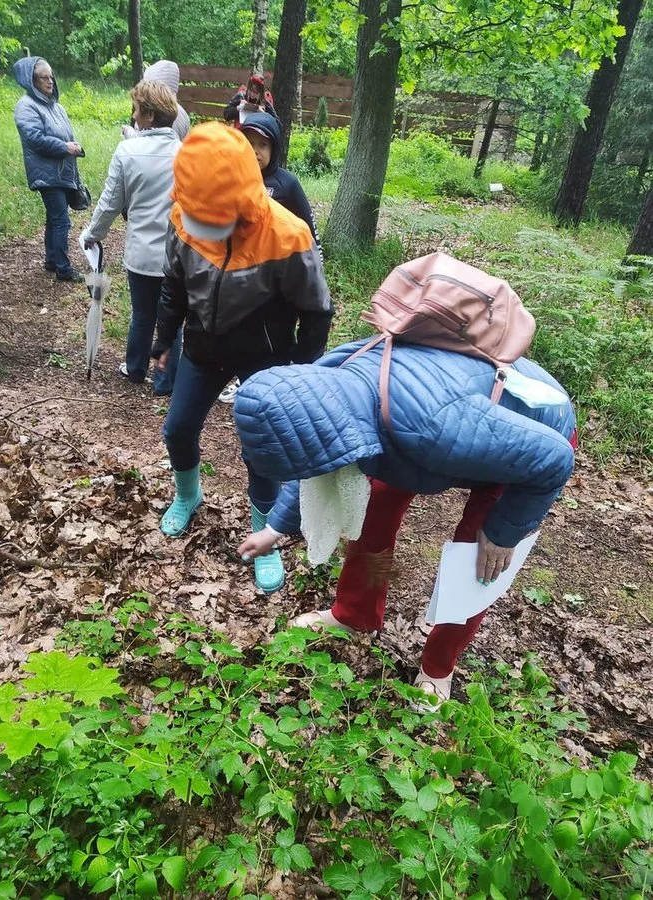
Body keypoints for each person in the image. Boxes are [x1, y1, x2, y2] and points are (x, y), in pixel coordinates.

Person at [234, 339, 577, 708]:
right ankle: (355, 615)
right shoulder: (330, 383)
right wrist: (276, 528)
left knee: (478, 557)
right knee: (371, 515)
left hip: (528, 440)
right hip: (423, 422)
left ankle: (438, 666)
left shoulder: (434, 427)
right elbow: (316, 465)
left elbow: (553, 459)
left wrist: (505, 531)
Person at [151, 122, 333, 594]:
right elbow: (173, 284)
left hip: (265, 361)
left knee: (262, 452)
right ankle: (188, 496)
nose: (205, 225)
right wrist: (163, 339)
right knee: (177, 428)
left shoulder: (287, 235)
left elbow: (316, 312)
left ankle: (265, 540)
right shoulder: (184, 216)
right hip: (203, 347)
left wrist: (300, 370)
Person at [81, 81, 182, 395]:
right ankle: (165, 381)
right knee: (172, 319)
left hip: (140, 255)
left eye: (137, 109)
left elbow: (110, 203)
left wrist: (92, 235)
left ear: (149, 114)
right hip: (176, 256)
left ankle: (135, 368)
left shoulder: (127, 152)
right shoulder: (185, 152)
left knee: (142, 313)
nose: (134, 115)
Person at [218, 111, 321, 405]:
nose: (255, 151)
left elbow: (309, 235)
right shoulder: (231, 180)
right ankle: (238, 377)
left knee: (274, 331)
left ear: (274, 148)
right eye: (248, 143)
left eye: (262, 145)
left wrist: (313, 273)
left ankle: (276, 378)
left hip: (280, 279)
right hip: (238, 276)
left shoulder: (286, 184)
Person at [12, 56, 84, 283]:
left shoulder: (55, 106)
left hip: (60, 171)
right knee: (62, 221)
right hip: (46, 173)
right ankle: (63, 268)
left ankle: (52, 261)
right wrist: (65, 147)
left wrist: (73, 148)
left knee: (54, 219)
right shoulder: (26, 106)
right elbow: (34, 138)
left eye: (51, 76)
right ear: (31, 80)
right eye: (44, 77)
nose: (50, 81)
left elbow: (64, 134)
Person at [121, 60, 190, 141]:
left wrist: (128, 132)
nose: (134, 116)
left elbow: (149, 144)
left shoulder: (150, 112)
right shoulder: (180, 113)